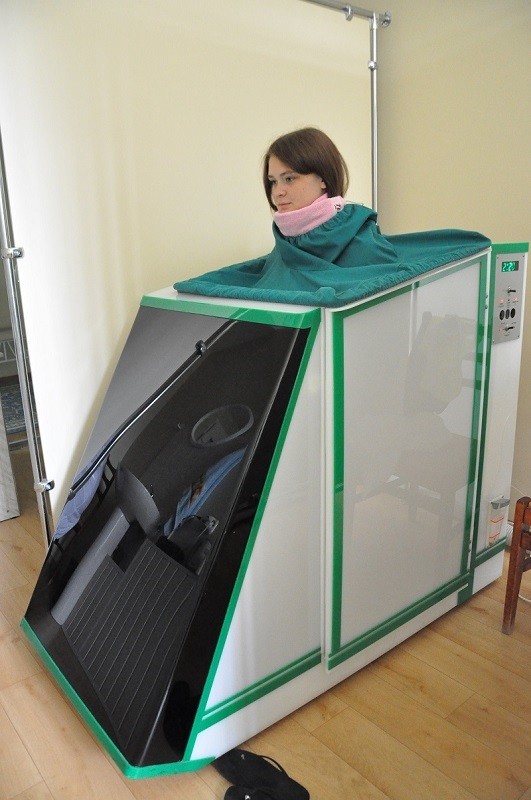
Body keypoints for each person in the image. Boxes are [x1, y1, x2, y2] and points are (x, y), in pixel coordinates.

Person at [174, 127, 490, 307]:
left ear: (323, 179)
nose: (278, 192)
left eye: (289, 178)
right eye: (272, 181)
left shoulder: (363, 243)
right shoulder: (286, 243)